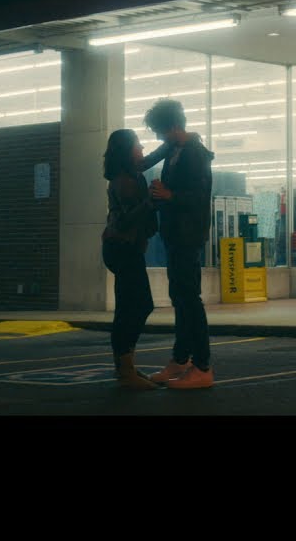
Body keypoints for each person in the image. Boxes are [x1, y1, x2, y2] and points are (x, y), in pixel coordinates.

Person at [139, 98, 216, 389]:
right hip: (174, 234)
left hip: (188, 235)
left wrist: (169, 195)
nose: (158, 138)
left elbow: (199, 197)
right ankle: (181, 359)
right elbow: (145, 162)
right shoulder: (174, 147)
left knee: (189, 300)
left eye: (160, 131)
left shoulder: (195, 154)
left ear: (172, 127)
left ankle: (203, 366)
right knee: (180, 298)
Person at [101, 129, 164, 390]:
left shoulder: (130, 172)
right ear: (127, 151)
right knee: (139, 306)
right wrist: (150, 202)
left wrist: (170, 145)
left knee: (129, 307)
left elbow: (149, 159)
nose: (142, 149)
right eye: (137, 145)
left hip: (123, 248)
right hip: (122, 248)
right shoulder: (124, 181)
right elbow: (125, 220)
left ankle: (125, 367)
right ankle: (125, 370)